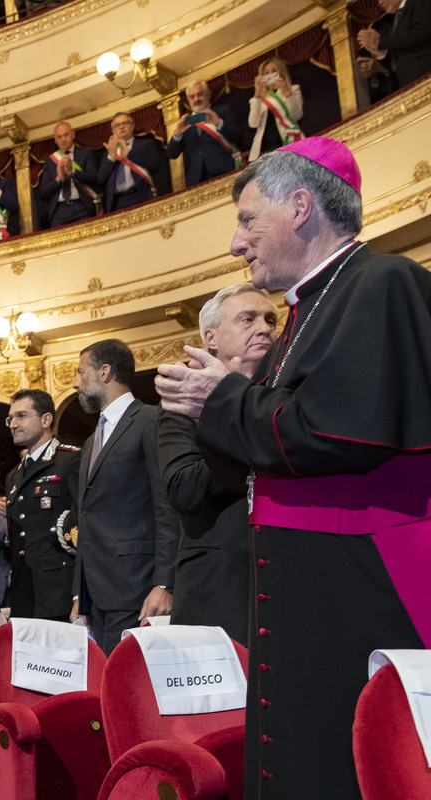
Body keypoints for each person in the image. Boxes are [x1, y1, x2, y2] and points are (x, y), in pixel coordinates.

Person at [155, 136, 431, 800]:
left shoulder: (383, 282)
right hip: (313, 587)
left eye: (248, 219)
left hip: (363, 584)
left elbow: (340, 432)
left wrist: (221, 400)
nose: (235, 242)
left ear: (301, 206)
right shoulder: (308, 311)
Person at [157, 284, 277, 646]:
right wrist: (241, 420)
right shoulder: (182, 403)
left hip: (286, 578)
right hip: (216, 589)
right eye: (247, 318)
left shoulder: (283, 398)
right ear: (210, 337)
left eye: (270, 318)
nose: (265, 327)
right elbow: (184, 487)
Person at [70, 339, 180, 654]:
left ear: (105, 372)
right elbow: (86, 519)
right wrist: (80, 596)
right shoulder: (91, 441)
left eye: (80, 372)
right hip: (96, 597)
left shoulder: (150, 421)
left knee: (131, 691)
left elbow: (167, 509)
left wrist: (164, 584)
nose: (76, 382)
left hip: (138, 590)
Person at [4, 389, 80, 621]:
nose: (13, 424)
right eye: (10, 418)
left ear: (46, 419)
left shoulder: (70, 461)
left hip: (60, 593)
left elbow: (85, 531)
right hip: (24, 594)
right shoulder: (13, 476)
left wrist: (81, 596)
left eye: (22, 416)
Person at [166, 79, 244, 187]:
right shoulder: (185, 124)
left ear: (208, 94)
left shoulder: (223, 111)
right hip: (196, 180)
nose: (196, 99)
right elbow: (171, 154)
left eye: (200, 94)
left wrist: (219, 123)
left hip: (224, 172)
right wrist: (177, 134)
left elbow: (238, 137)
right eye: (192, 96)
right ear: (188, 100)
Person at [97, 111, 165, 212]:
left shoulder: (146, 144)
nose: (121, 127)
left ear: (132, 126)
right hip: (118, 202)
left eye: (125, 123)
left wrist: (129, 155)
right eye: (117, 125)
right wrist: (111, 157)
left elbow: (155, 164)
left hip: (140, 196)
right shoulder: (108, 153)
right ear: (113, 131)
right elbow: (100, 179)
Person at [37, 121, 100, 229]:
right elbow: (43, 192)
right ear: (55, 140)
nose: (63, 139)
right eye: (59, 137)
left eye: (66, 135)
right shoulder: (50, 161)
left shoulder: (85, 153)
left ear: (73, 134)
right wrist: (58, 178)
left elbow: (94, 179)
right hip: (59, 211)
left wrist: (73, 173)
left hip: (82, 206)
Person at [357, 0, 431, 89]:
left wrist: (381, 42)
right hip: (410, 85)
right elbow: (398, 58)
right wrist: (381, 53)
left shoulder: (419, 2)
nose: (380, 3)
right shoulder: (396, 17)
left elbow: (423, 31)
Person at [247, 58, 304, 162]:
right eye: (266, 73)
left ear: (281, 72)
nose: (270, 75)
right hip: (266, 149)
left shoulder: (293, 89)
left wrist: (287, 93)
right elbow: (253, 124)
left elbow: (296, 116)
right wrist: (257, 94)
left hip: (289, 142)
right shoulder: (258, 99)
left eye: (274, 71)